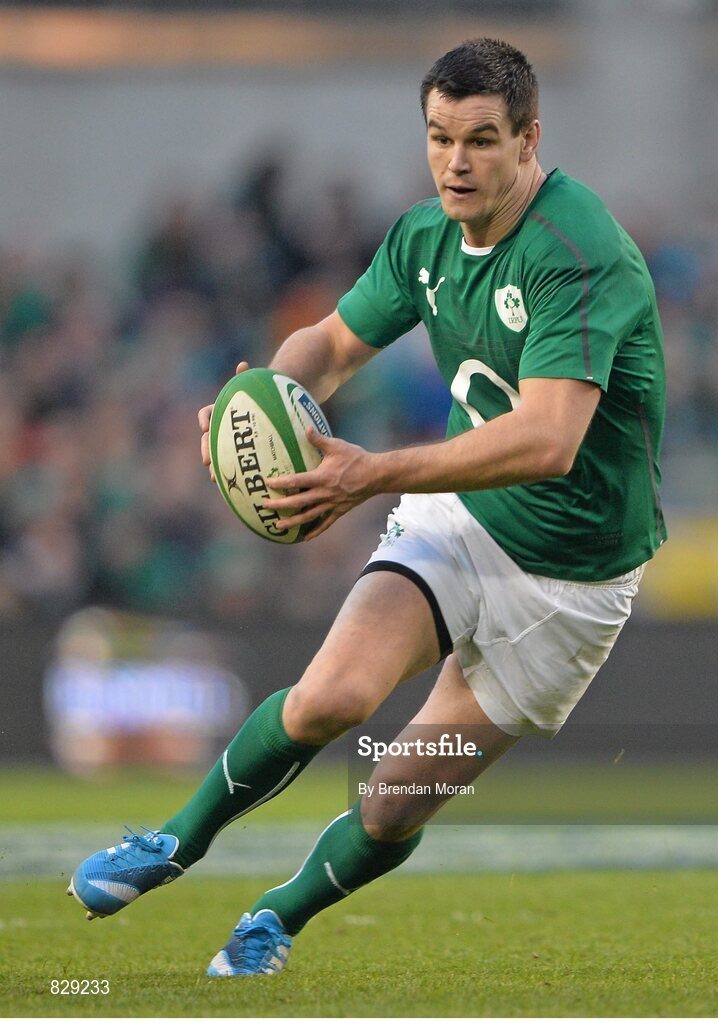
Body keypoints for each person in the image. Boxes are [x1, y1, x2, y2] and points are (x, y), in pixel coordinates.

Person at [67, 37, 666, 977]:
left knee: (393, 800)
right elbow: (334, 343)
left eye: (479, 141)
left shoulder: (579, 252)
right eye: (438, 138)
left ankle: (278, 913)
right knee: (332, 697)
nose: (455, 163)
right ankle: (172, 843)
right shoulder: (422, 237)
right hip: (460, 520)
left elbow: (549, 441)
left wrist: (372, 470)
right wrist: (253, 397)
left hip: (575, 580)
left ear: (528, 140)